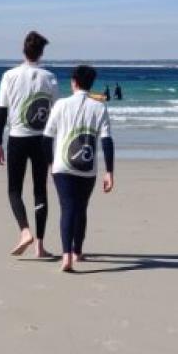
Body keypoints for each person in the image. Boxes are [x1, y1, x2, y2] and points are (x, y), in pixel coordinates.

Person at [45, 65, 115, 272]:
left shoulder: (60, 104)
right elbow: (107, 141)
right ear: (91, 83)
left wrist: (50, 163)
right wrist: (109, 171)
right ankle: (77, 251)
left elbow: (47, 138)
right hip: (87, 166)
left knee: (67, 208)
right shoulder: (100, 107)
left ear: (74, 82)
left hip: (62, 165)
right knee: (81, 208)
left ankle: (66, 256)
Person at [0, 30, 57, 258]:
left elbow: (2, 110)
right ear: (41, 53)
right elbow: (54, 113)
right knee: (40, 191)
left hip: (17, 139)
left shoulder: (9, 76)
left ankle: (24, 231)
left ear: (23, 50)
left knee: (14, 190)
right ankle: (39, 246)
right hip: (41, 140)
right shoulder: (49, 77)